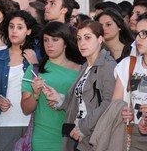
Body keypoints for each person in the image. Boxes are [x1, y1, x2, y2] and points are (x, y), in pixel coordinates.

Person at [42, 20, 116, 151]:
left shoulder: (108, 66)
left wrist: (83, 127)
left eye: (87, 38)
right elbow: (81, 103)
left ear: (100, 39)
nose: (82, 43)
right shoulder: (85, 66)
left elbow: (110, 103)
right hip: (79, 137)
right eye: (79, 38)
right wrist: (59, 99)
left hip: (95, 138)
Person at [21, 21, 85, 151]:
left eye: (55, 40)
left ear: (65, 42)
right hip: (42, 137)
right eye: (46, 40)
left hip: (73, 136)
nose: (49, 44)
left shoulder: (81, 70)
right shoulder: (35, 70)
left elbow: (88, 106)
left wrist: (62, 100)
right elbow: (25, 109)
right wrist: (36, 94)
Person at [0, 10, 40, 151]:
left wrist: (35, 64)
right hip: (5, 122)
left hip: (34, 122)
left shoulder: (37, 54)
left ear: (28, 31)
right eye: (11, 26)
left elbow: (46, 84)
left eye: (20, 27)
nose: (14, 31)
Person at [112, 12, 147, 150]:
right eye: (137, 33)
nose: (138, 38)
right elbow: (116, 101)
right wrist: (123, 110)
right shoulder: (128, 64)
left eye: (144, 33)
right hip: (132, 136)